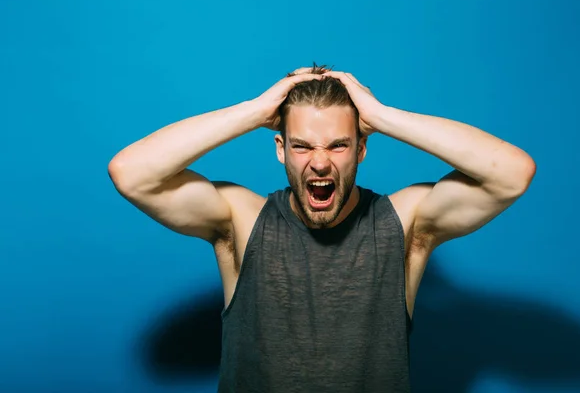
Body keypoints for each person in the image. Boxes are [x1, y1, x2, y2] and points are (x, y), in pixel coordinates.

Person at [108, 64, 536, 392]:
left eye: (337, 144)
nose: (319, 161)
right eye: (302, 145)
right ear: (281, 149)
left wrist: (381, 115)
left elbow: (512, 173)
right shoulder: (242, 218)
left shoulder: (404, 223)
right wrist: (256, 111)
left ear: (362, 148)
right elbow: (131, 173)